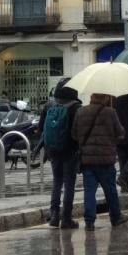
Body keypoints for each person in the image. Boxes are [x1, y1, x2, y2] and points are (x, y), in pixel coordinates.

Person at [71, 93, 128, 230]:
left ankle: (89, 221)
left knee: (89, 191)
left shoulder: (81, 111)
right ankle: (115, 216)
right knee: (110, 190)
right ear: (105, 97)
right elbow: (120, 133)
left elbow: (74, 134)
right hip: (106, 159)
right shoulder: (110, 112)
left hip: (87, 160)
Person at [39, 78, 82, 229]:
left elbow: (40, 128)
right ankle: (66, 218)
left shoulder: (49, 105)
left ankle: (54, 215)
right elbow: (78, 131)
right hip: (70, 150)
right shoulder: (76, 107)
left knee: (57, 181)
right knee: (69, 184)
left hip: (53, 150)